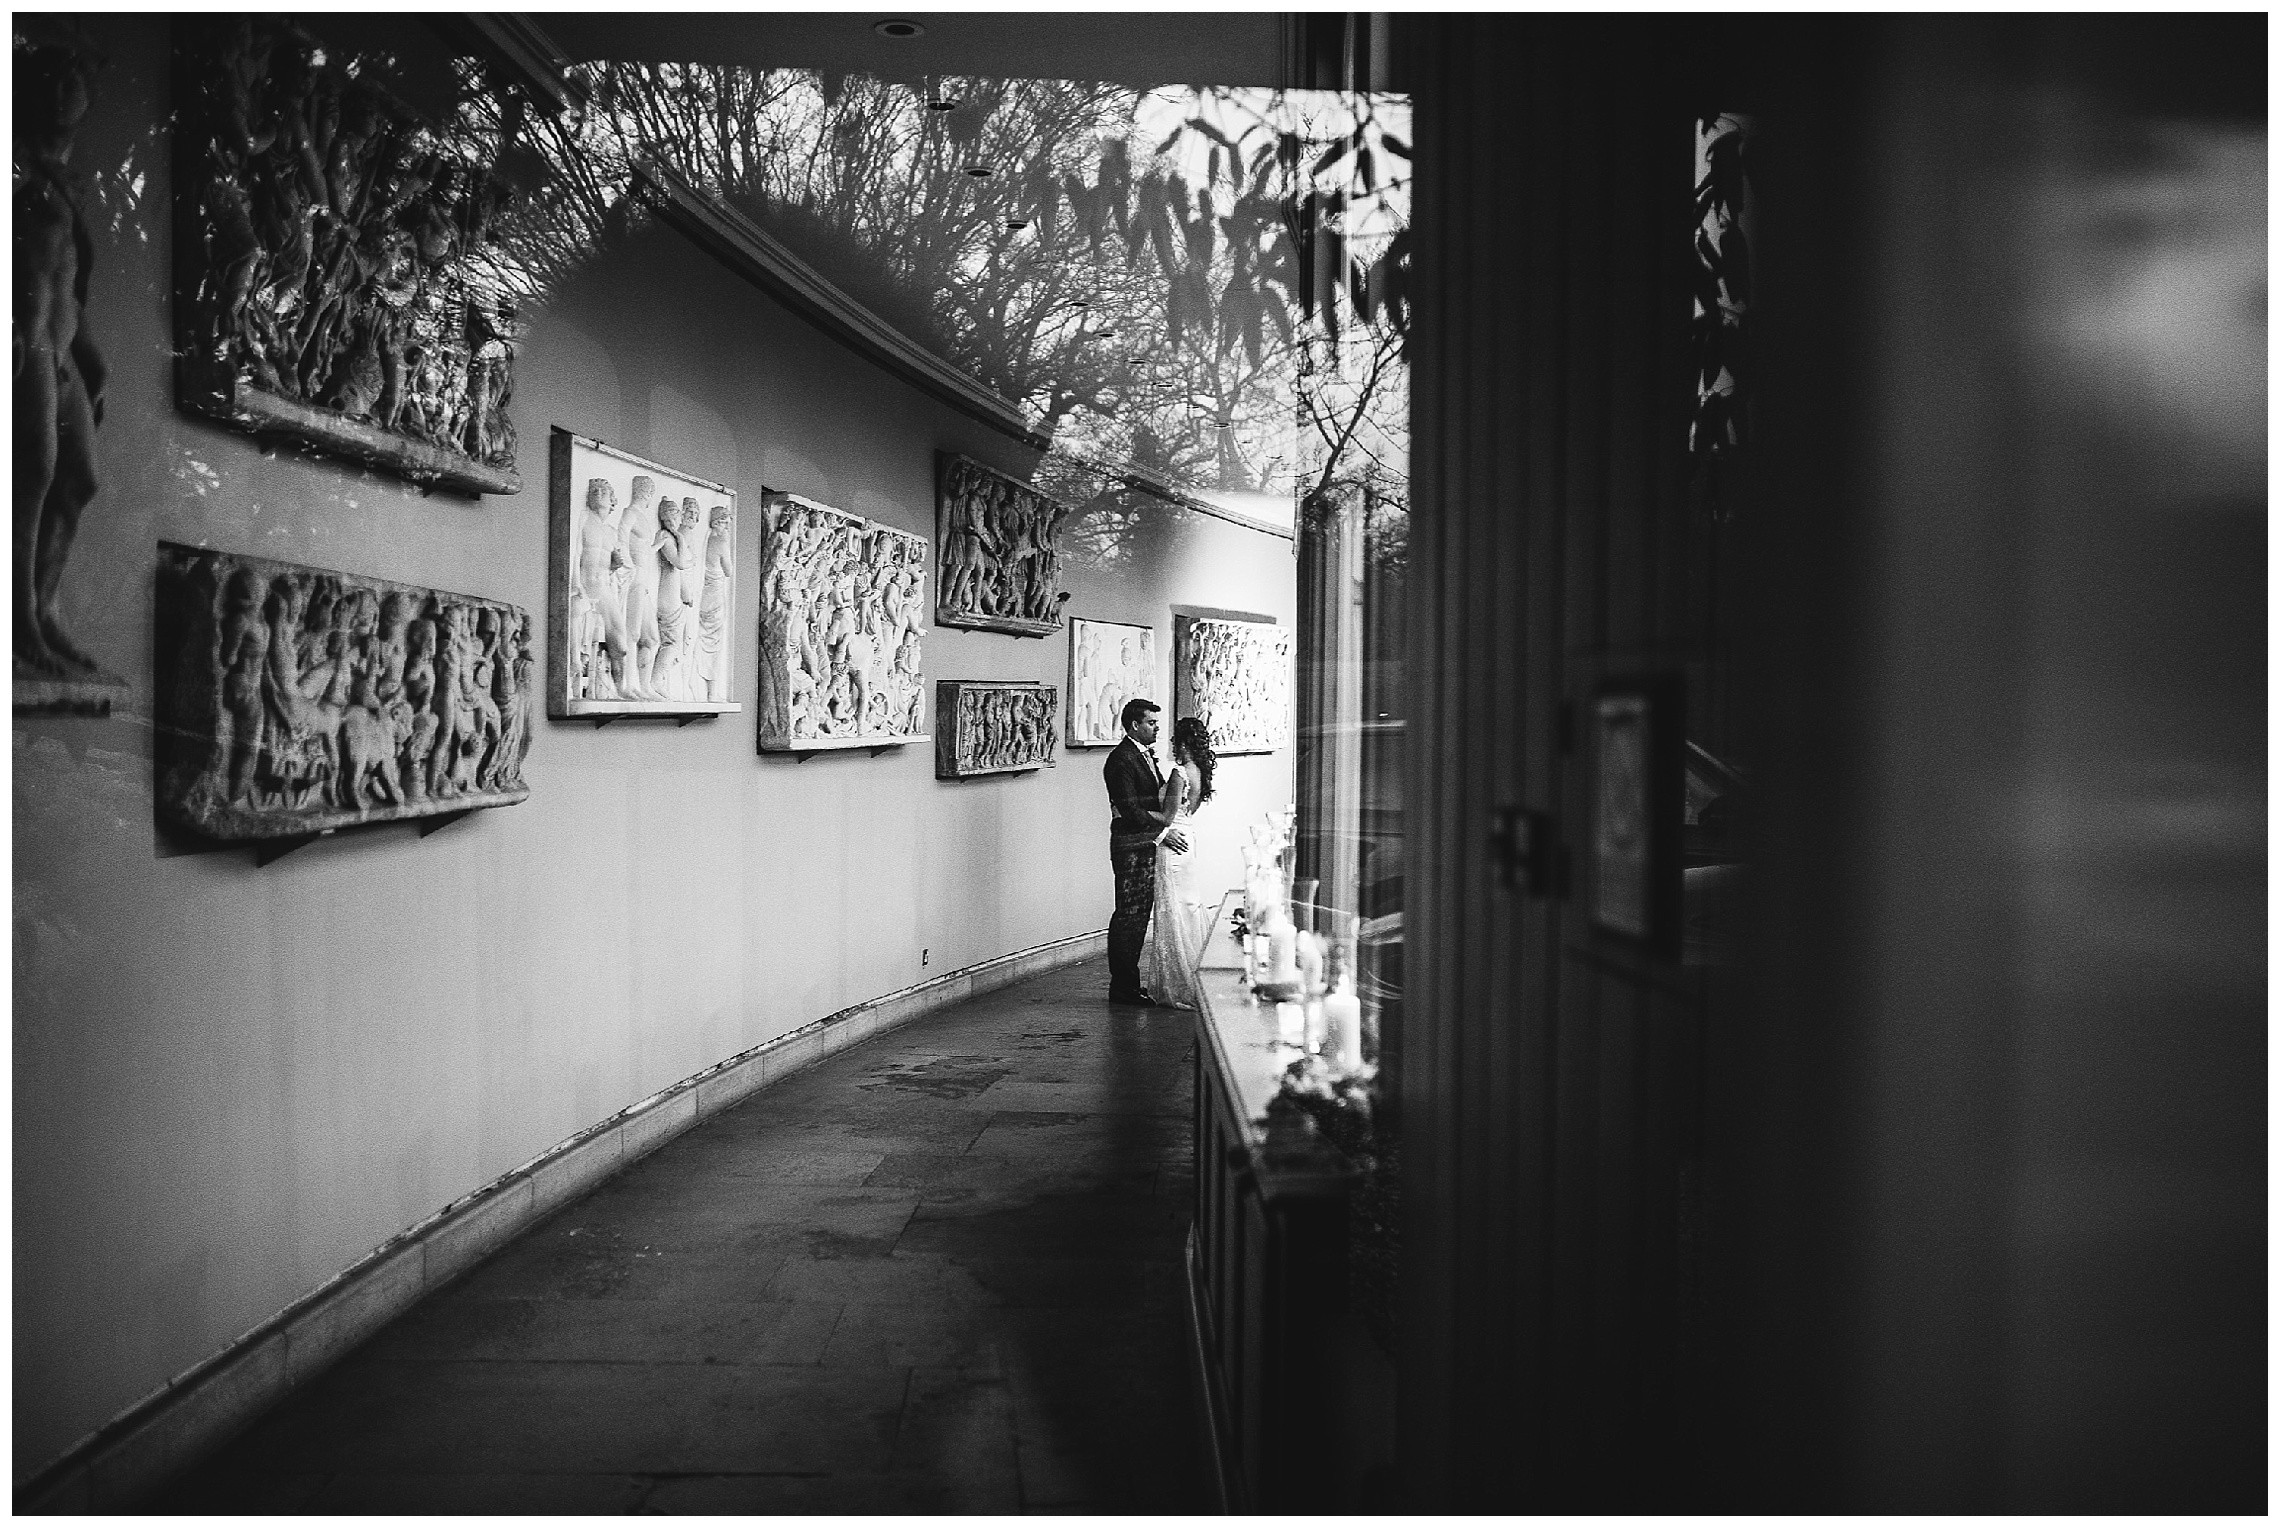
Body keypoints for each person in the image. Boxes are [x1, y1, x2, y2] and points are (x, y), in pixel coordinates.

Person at [1104, 698, 1188, 1006]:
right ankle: (1122, 988)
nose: (1156, 728)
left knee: (1138, 917)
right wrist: (1164, 831)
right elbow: (1128, 809)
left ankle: (1128, 986)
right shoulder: (1120, 759)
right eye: (1151, 723)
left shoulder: (1144, 755)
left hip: (1144, 844)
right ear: (1134, 725)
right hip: (1130, 846)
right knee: (1129, 915)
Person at [1142, 716, 1218, 1010]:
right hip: (1189, 841)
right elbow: (1187, 813)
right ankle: (1195, 975)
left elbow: (1167, 818)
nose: (1173, 744)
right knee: (1188, 908)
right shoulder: (1199, 771)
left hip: (1172, 846)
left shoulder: (1179, 773)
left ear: (1183, 743)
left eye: (1175, 740)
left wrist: (1130, 810)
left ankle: (1179, 983)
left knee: (1173, 908)